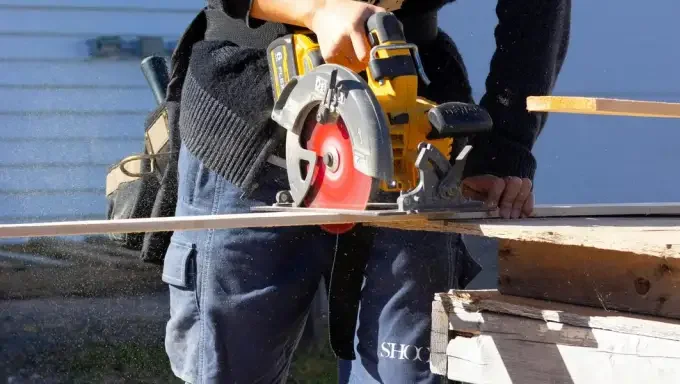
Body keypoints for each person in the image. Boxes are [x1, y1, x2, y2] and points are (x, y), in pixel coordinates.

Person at [160, 0, 571, 383]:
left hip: (414, 135)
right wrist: (316, 8)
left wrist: (505, 146)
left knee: (409, 368)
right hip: (249, 123)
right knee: (228, 369)